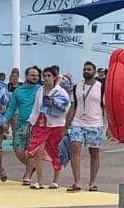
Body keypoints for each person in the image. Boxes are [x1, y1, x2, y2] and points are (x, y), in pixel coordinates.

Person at [26, 65, 70, 189]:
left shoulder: (60, 91)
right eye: (44, 76)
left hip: (56, 124)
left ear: (54, 77)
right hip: (41, 124)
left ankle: (55, 180)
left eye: (49, 76)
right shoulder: (40, 91)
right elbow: (36, 108)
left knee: (55, 151)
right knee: (37, 150)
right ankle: (39, 181)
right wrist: (31, 122)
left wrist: (55, 104)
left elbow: (66, 108)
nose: (46, 78)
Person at [66, 61, 105, 192]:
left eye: (89, 69)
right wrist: (66, 125)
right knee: (75, 150)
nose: (86, 71)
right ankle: (77, 182)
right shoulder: (77, 86)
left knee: (94, 152)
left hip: (95, 123)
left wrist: (110, 126)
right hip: (78, 122)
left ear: (94, 72)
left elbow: (106, 107)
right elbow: (73, 106)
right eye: (84, 69)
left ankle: (92, 182)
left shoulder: (101, 87)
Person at [5, 65, 41, 185]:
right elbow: (12, 107)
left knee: (31, 150)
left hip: (36, 125)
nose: (35, 77)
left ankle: (28, 175)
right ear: (26, 76)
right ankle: (32, 166)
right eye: (32, 75)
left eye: (36, 75)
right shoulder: (18, 91)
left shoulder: (41, 89)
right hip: (21, 124)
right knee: (18, 150)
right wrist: (5, 120)